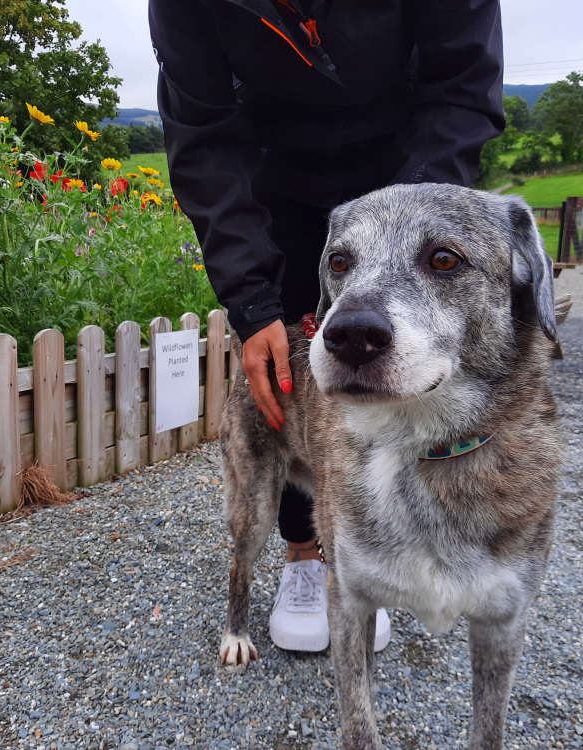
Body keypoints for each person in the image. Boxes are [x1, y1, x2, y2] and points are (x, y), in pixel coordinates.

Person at [149, 0, 504, 653]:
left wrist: (407, 237)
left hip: (406, 169)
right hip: (271, 185)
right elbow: (202, 136)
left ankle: (377, 546)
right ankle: (304, 557)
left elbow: (463, 88)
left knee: (397, 374)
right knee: (292, 395)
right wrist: (254, 307)